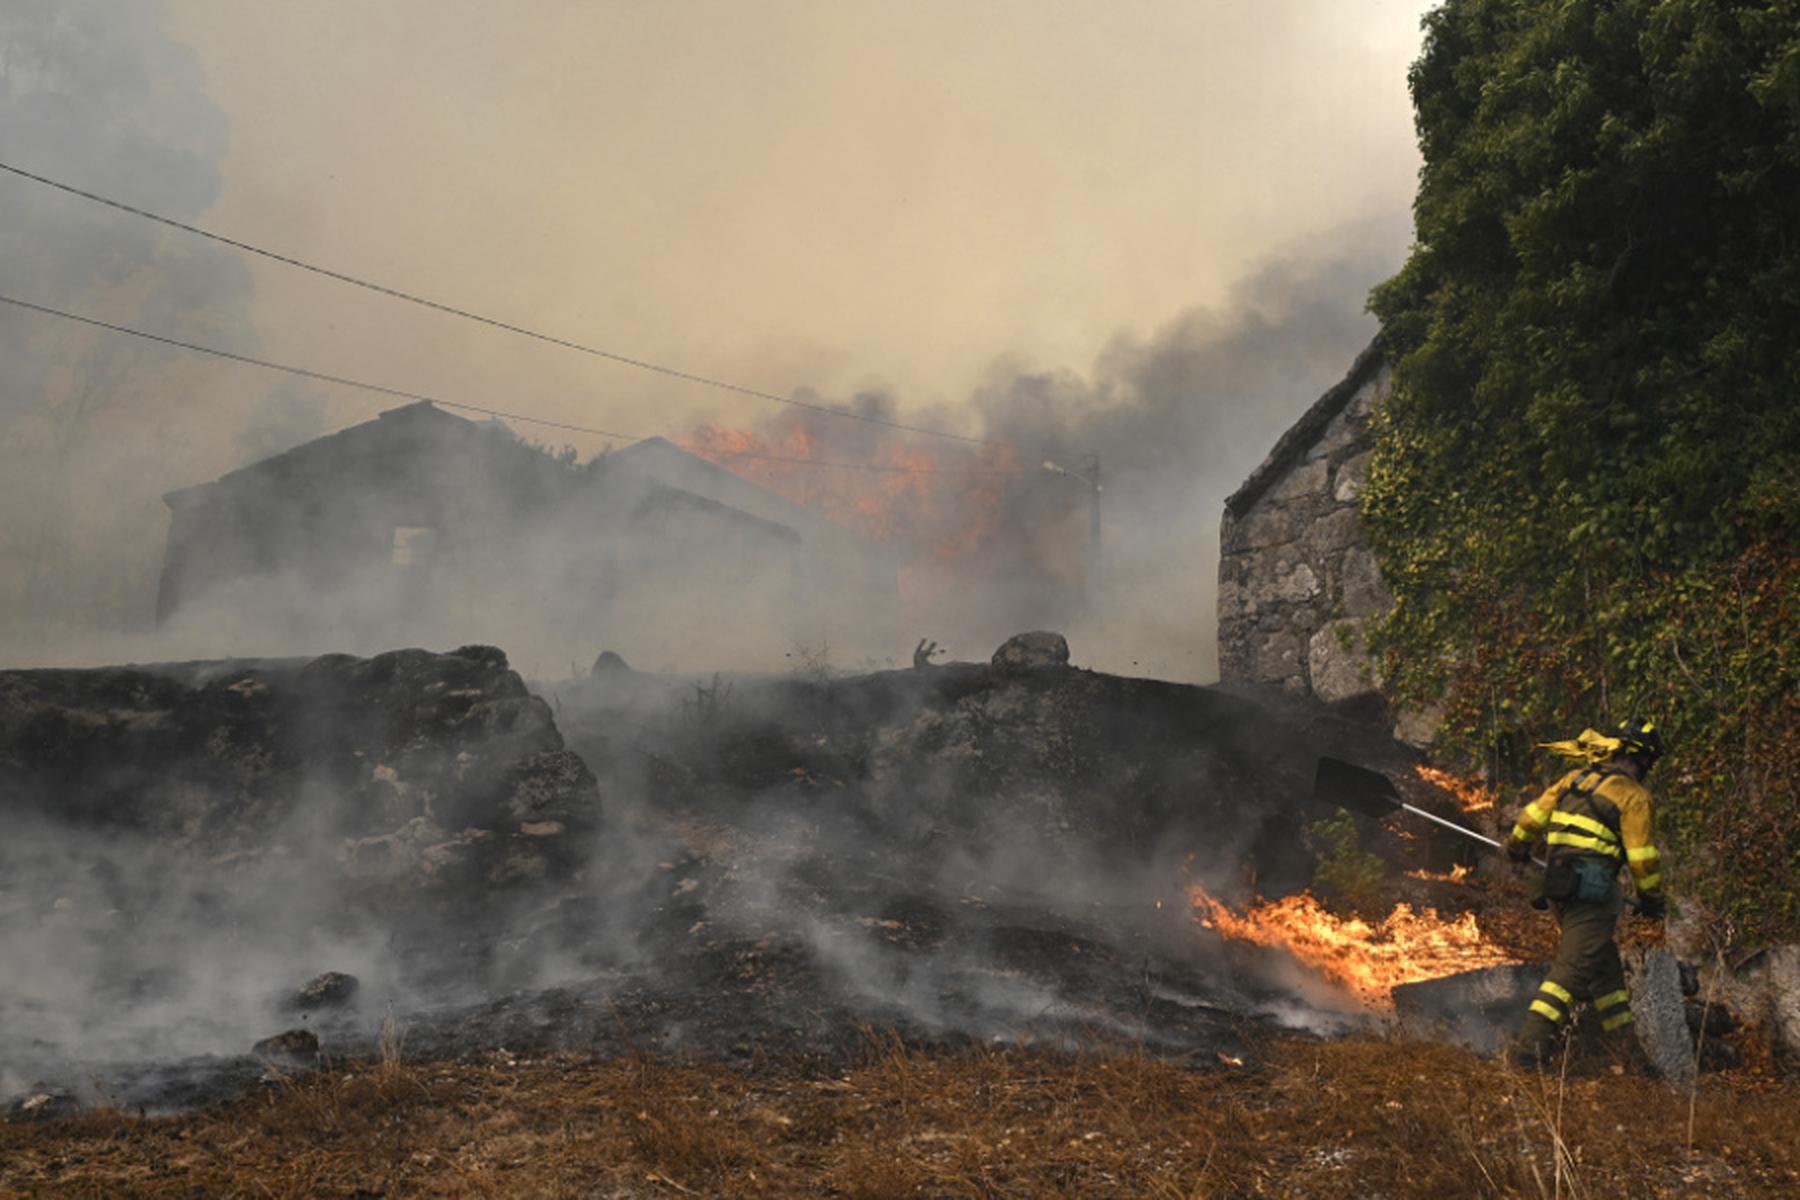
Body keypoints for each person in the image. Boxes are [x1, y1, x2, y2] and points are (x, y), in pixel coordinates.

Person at [1504, 717, 1667, 1067]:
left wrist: (1517, 850)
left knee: (1606, 975)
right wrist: (1653, 902)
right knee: (1571, 972)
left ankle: (1631, 1058)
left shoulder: (1575, 779)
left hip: (1559, 890)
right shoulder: (1634, 797)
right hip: (1591, 899)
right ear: (1645, 761)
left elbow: (1529, 820)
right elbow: (1642, 861)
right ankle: (1528, 1052)